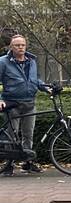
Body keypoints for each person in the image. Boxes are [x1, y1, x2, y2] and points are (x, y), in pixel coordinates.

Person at [0, 34, 51, 176]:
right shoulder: (3, 62)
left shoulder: (32, 61)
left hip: (30, 102)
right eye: (17, 45)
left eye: (22, 45)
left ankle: (27, 163)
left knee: (28, 134)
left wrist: (46, 88)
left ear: (26, 46)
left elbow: (35, 80)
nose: (20, 47)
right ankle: (9, 165)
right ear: (11, 47)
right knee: (11, 136)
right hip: (12, 103)